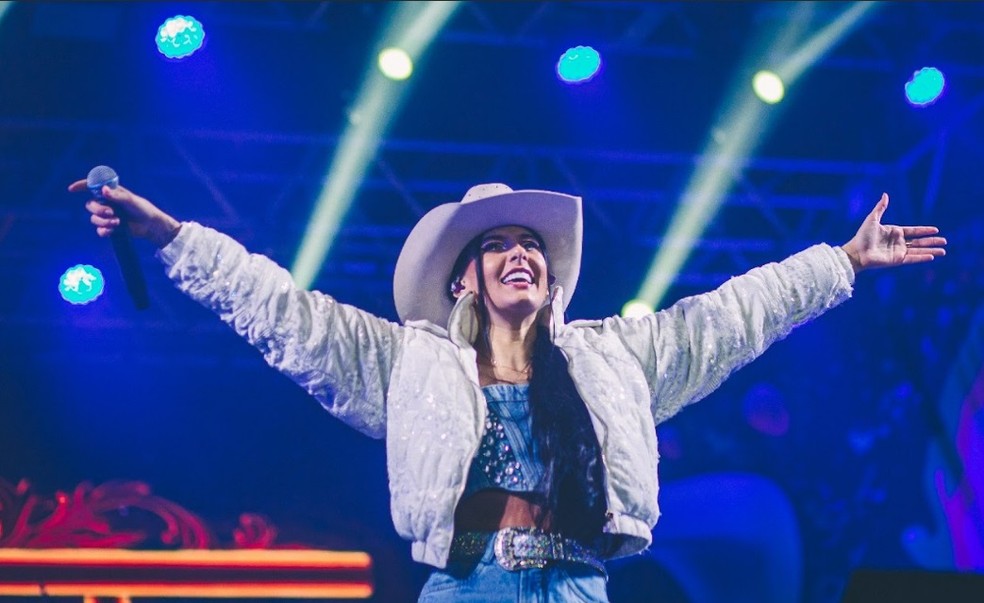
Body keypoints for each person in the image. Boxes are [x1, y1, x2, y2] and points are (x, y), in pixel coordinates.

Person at [71, 178, 945, 602]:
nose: (520, 252)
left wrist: (841, 260)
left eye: (532, 243)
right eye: (498, 246)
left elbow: (731, 316)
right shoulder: (408, 365)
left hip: (574, 588)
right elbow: (283, 311)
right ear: (464, 281)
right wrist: (172, 236)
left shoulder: (614, 360)